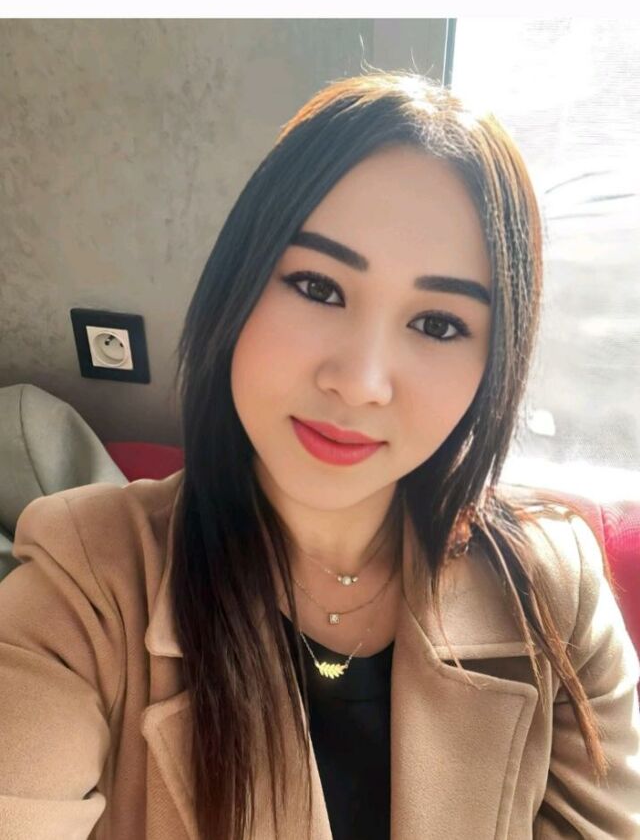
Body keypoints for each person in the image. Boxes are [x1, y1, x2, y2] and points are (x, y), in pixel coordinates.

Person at [0, 70, 639, 840]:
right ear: (238, 286)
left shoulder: (553, 591)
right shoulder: (86, 582)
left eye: (438, 324)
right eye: (317, 285)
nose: (360, 382)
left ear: (492, 368)